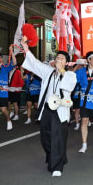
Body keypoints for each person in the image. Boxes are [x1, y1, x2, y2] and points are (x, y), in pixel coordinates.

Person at [21, 40, 77, 177]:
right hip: (47, 109)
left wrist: (62, 70)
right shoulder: (48, 72)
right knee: (45, 137)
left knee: (57, 137)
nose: (58, 59)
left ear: (66, 63)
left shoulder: (70, 74)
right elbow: (34, 64)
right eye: (57, 57)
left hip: (60, 109)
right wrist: (26, 48)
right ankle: (57, 156)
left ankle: (57, 166)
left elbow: (70, 85)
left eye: (62, 58)